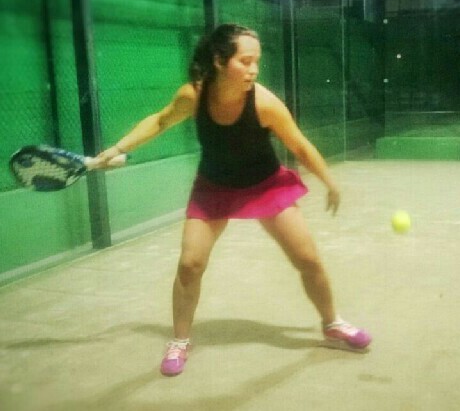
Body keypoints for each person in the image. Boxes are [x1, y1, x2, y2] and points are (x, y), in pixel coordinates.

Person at [97, 23, 371, 377]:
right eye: (245, 61)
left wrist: (330, 182)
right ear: (219, 60)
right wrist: (117, 148)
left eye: (256, 61)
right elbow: (161, 120)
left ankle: (332, 323)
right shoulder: (194, 95)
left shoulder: (265, 103)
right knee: (190, 264)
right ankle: (180, 340)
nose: (253, 69)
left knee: (307, 258)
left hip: (265, 184)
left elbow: (299, 145)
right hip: (214, 186)